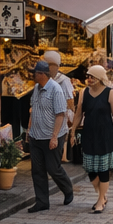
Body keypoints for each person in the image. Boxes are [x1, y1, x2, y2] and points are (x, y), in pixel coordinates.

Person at [70, 64, 113, 214]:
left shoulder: (109, 93)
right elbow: (79, 113)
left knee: (103, 169)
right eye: (88, 76)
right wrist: (73, 131)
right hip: (89, 134)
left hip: (105, 134)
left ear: (100, 78)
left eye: (92, 77)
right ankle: (102, 194)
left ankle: (101, 200)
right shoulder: (83, 93)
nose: (89, 79)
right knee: (90, 169)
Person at [26, 59, 75, 211]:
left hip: (52, 136)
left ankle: (67, 189)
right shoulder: (36, 88)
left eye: (35, 73)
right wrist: (29, 131)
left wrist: (54, 137)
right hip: (36, 136)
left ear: (42, 74)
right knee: (37, 170)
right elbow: (33, 110)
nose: (33, 75)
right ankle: (42, 202)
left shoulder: (55, 89)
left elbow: (61, 114)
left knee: (53, 168)